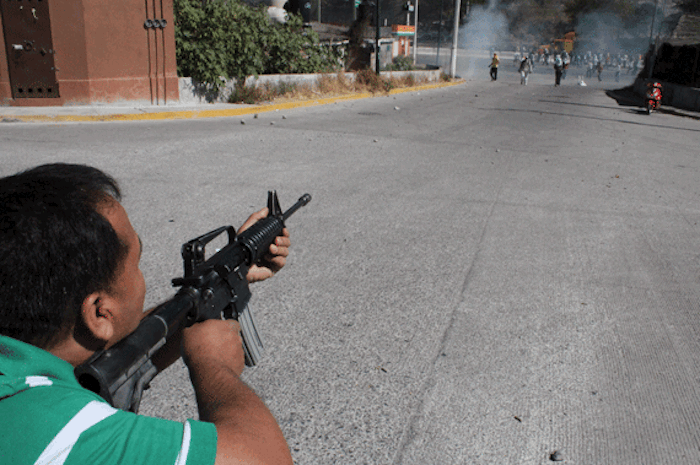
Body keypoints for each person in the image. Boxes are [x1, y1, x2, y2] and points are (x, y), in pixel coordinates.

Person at [0, 163, 294, 465]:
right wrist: (214, 364)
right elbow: (266, 459)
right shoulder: (66, 434)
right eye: (137, 262)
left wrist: (228, 278)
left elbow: (128, 344)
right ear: (100, 314)